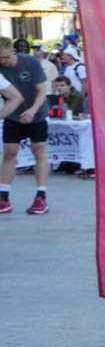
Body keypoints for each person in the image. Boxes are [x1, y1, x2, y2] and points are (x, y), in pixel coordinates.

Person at [0, 37, 51, 216]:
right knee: (9, 153)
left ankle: (41, 197)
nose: (3, 61)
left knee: (39, 151)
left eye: (5, 57)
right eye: (0, 58)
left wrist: (32, 110)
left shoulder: (30, 62)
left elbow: (42, 91)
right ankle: (4, 197)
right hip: (12, 115)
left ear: (13, 51)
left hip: (36, 114)